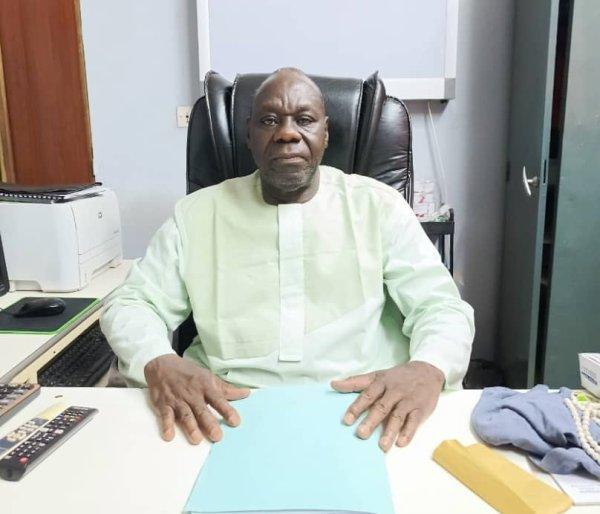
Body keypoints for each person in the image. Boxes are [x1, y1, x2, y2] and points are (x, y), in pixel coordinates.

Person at [100, 68, 474, 453]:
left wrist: (428, 367)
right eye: (269, 121)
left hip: (366, 408)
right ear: (249, 136)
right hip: (223, 411)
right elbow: (131, 304)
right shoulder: (196, 215)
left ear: (326, 134)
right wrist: (158, 360)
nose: (287, 133)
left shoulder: (377, 206)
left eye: (305, 120)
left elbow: (441, 307)